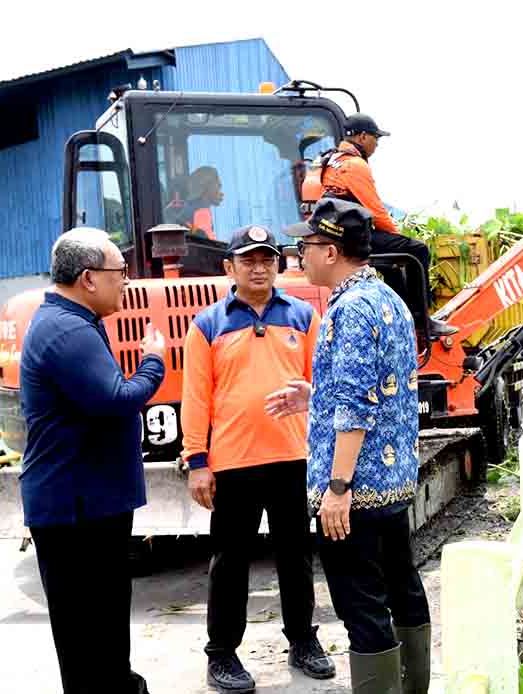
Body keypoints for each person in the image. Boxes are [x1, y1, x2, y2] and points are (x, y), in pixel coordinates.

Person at [268, 198, 432, 694]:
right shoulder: (389, 299)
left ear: (332, 250)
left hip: (356, 491)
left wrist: (338, 487)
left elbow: (358, 407)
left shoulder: (351, 309)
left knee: (361, 605)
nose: (300, 256)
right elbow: (378, 390)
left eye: (307, 246)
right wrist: (315, 398)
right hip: (392, 482)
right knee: (403, 588)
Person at [181, 224, 335, 693]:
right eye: (248, 259)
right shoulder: (207, 325)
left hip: (293, 458)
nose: (259, 267)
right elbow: (196, 398)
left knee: (296, 556)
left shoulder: (304, 317)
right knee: (230, 562)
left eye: (267, 258)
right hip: (232, 463)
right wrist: (197, 461)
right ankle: (222, 653)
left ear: (279, 264)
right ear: (229, 268)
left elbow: (323, 385)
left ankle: (303, 641)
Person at [19, 227, 166, 694]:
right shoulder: (66, 330)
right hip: (75, 512)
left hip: (88, 505)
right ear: (88, 278)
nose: (125, 281)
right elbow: (117, 398)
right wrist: (154, 362)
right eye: (119, 273)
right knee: (88, 636)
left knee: (100, 630)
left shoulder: (74, 322)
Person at [314, 112, 456, 337]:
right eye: (375, 139)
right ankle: (422, 321)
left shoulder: (329, 161)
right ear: (362, 137)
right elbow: (376, 211)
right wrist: (398, 235)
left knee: (392, 266)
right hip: (352, 237)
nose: (377, 144)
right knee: (416, 249)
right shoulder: (355, 165)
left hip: (337, 234)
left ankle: (402, 315)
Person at [167, 166, 224, 239]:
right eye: (218, 186)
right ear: (205, 186)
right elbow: (211, 246)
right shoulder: (201, 211)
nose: (221, 193)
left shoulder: (190, 208)